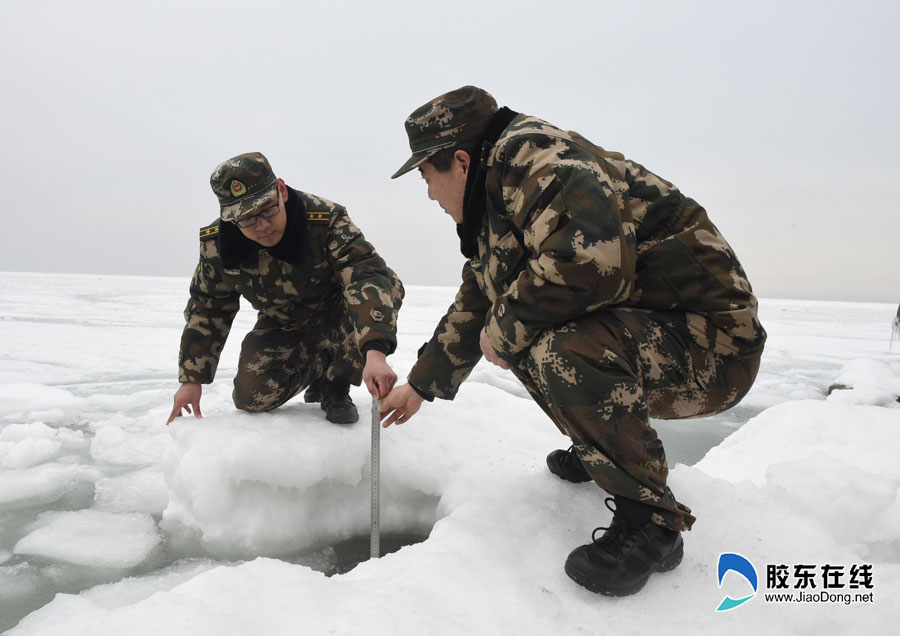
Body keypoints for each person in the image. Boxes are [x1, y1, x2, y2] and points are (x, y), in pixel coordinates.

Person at [380, 86, 766, 596]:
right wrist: (419, 385)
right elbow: (479, 298)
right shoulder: (500, 198)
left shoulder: (540, 161)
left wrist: (504, 329)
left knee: (556, 344)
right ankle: (602, 450)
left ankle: (650, 523)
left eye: (428, 177)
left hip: (713, 349)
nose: (430, 194)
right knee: (522, 330)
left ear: (461, 161)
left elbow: (591, 264)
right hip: (659, 333)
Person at [167, 152, 404, 425]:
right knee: (251, 397)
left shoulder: (326, 220)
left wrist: (375, 351)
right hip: (285, 323)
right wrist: (192, 379)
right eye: (247, 219)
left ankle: (336, 381)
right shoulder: (217, 246)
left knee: (388, 286)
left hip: (340, 313)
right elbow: (209, 307)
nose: (262, 225)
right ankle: (320, 365)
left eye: (268, 209)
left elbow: (365, 275)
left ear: (281, 190)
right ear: (230, 218)